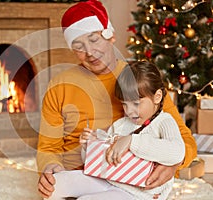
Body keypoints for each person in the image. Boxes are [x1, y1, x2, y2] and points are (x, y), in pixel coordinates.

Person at [36, 0, 197, 199]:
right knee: (53, 189)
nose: (89, 52)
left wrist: (171, 166)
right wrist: (50, 167)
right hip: (81, 174)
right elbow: (47, 148)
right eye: (79, 46)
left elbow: (184, 141)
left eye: (94, 40)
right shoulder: (59, 86)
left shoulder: (140, 81)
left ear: (110, 35)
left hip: (129, 181)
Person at [73, 61, 185, 199]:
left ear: (157, 97)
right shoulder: (121, 124)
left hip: (139, 194)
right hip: (109, 181)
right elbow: (101, 161)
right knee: (59, 182)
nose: (130, 111)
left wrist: (131, 141)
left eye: (136, 103)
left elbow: (177, 152)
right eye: (125, 104)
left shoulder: (164, 122)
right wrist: (89, 146)